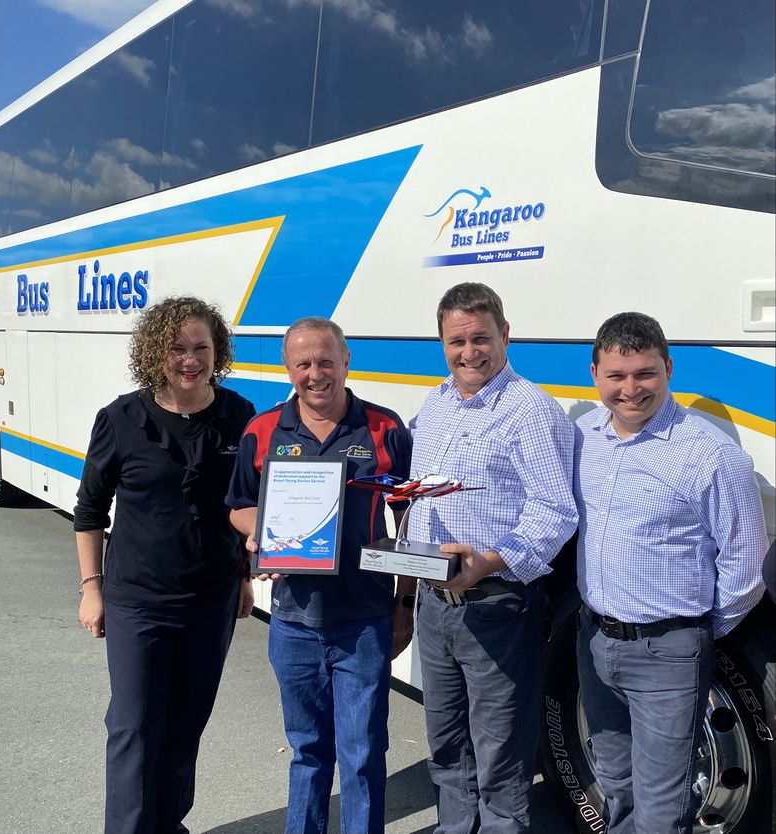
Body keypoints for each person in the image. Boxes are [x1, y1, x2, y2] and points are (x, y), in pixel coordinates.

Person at [574, 311, 767, 834]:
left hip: (667, 653)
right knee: (616, 786)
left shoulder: (711, 456)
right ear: (594, 374)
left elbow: (745, 566)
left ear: (668, 369)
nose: (630, 389)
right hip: (594, 641)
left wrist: (691, 635)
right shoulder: (583, 437)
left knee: (662, 809)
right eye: (616, 376)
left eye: (645, 373)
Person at [74, 296, 256, 834]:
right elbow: (89, 510)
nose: (190, 360)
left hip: (210, 598)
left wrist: (244, 578)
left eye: (202, 347)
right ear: (155, 352)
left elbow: (246, 502)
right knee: (133, 726)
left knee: (185, 723)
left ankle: (166, 823)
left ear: (218, 352)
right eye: (177, 348)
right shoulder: (121, 419)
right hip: (138, 600)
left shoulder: (239, 416)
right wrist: (91, 587)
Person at [227, 316, 414, 834]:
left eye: (326, 361)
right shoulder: (263, 430)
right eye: (303, 363)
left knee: (363, 753)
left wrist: (405, 603)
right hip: (293, 622)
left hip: (365, 620)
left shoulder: (385, 428)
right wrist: (262, 531)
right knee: (308, 751)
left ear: (346, 362)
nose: (315, 374)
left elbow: (411, 518)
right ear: (288, 368)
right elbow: (239, 505)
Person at [408, 282, 578, 834]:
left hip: (496, 604)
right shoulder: (436, 403)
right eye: (456, 341)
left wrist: (490, 560)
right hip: (433, 602)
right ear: (441, 343)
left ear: (504, 334)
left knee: (501, 753)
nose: (469, 352)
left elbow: (556, 511)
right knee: (447, 745)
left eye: (480, 338)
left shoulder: (530, 411)